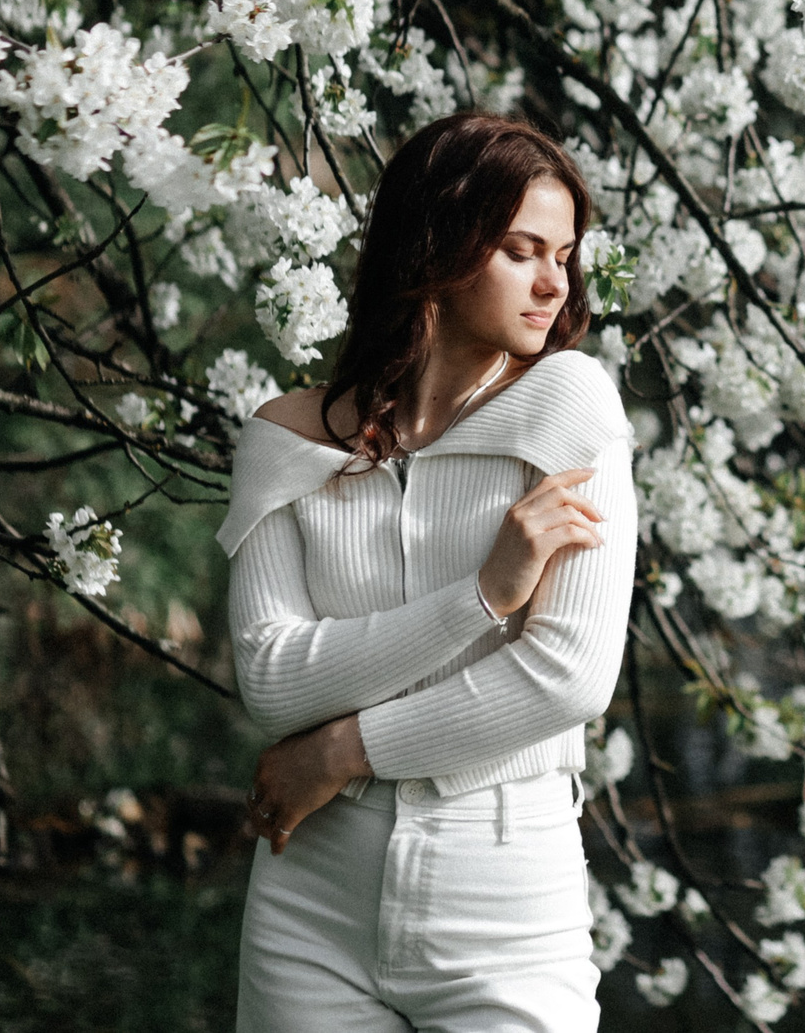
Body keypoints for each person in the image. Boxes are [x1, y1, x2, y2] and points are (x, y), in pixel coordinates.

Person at [214, 111, 640, 1032]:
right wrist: (483, 597)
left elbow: (567, 674)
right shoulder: (285, 439)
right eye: (523, 248)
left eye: (563, 253)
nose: (552, 282)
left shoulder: (572, 407)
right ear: (439, 245)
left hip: (505, 898)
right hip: (311, 900)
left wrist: (339, 751)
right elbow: (274, 679)